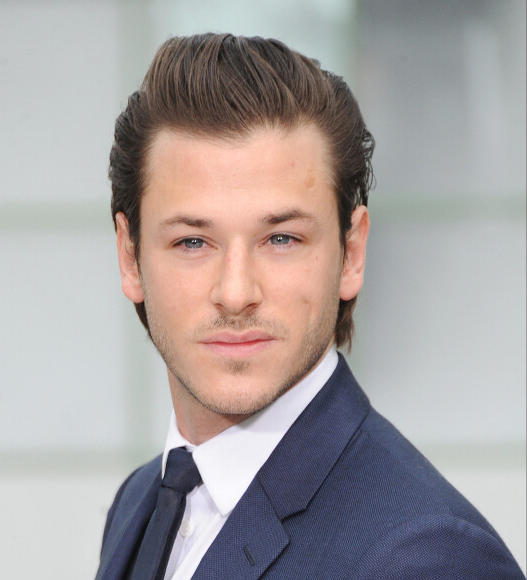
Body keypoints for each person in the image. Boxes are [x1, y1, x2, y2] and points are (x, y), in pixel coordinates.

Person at [95, 33, 524, 580]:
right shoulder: (141, 502)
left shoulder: (427, 557)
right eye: (192, 242)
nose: (235, 292)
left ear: (351, 252)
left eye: (281, 239)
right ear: (130, 258)